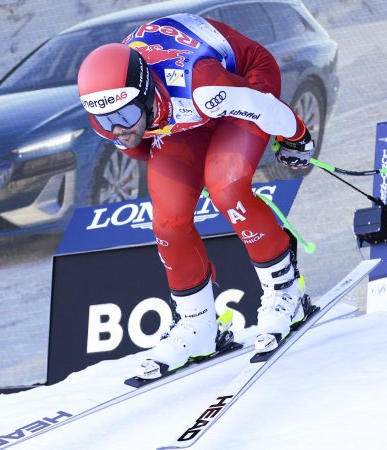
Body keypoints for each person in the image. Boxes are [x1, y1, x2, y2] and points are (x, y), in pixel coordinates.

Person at [76, 13, 315, 379]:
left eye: (124, 115)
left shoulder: (201, 86)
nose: (117, 129)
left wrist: (296, 136)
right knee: (168, 221)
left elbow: (262, 107)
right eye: (105, 121)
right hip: (180, 111)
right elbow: (139, 140)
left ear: (142, 95)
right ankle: (198, 326)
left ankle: (286, 293)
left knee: (226, 186)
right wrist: (133, 126)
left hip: (242, 84)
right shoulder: (120, 113)